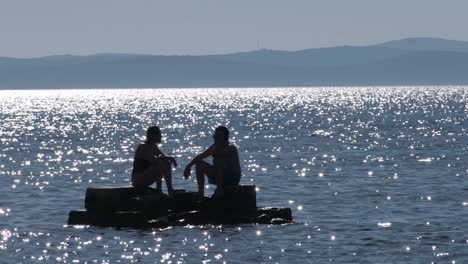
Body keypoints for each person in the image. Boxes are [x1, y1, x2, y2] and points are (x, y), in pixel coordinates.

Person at [184, 126, 241, 198]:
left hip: (231, 177)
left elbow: (223, 162)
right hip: (218, 176)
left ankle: (219, 190)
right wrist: (189, 166)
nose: (216, 137)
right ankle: (200, 192)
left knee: (218, 160)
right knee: (199, 163)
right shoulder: (214, 147)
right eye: (216, 135)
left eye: (219, 135)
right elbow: (201, 156)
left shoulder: (231, 148)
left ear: (225, 137)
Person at [132, 126, 176, 196]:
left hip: (145, 176)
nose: (161, 136)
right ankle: (164, 190)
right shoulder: (143, 146)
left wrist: (171, 158)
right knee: (161, 164)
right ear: (153, 135)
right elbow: (154, 161)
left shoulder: (153, 146)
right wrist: (168, 159)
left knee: (165, 163)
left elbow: (162, 157)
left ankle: (166, 189)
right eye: (159, 134)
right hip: (138, 179)